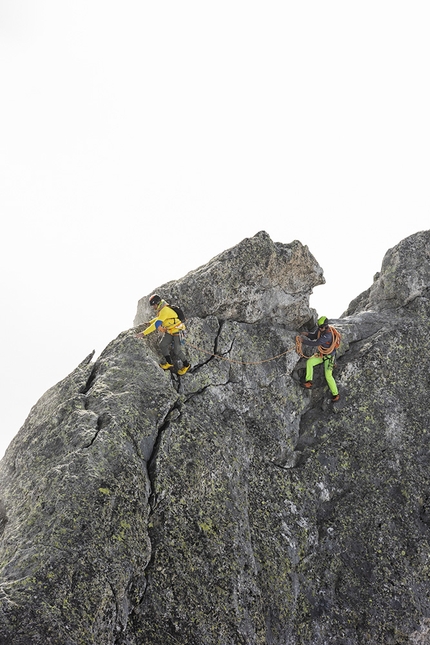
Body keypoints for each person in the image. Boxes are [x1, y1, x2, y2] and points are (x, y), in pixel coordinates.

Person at [137, 294, 191, 375]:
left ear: (157, 303)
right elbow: (159, 318)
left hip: (177, 331)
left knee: (177, 351)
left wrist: (143, 333)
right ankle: (169, 363)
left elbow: (156, 324)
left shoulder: (164, 310)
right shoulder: (162, 309)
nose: (153, 307)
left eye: (153, 305)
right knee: (162, 344)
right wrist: (150, 322)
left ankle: (187, 365)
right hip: (170, 330)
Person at [299, 316, 339, 401]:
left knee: (328, 375)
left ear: (326, 326)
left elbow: (316, 343)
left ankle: (336, 394)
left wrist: (303, 341)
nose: (320, 329)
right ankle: (309, 381)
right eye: (319, 327)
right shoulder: (321, 330)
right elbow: (314, 336)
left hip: (329, 357)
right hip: (322, 354)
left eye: (321, 327)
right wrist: (306, 334)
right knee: (310, 362)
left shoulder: (328, 335)